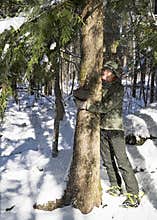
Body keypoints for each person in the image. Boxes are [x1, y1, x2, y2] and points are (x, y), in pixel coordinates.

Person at [73, 61, 141, 208]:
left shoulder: (118, 88)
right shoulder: (101, 87)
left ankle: (134, 194)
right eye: (104, 70)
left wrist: (86, 106)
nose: (104, 73)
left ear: (113, 73)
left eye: (107, 71)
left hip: (116, 130)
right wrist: (79, 95)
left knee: (122, 162)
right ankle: (115, 186)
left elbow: (105, 107)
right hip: (102, 129)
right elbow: (88, 95)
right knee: (108, 161)